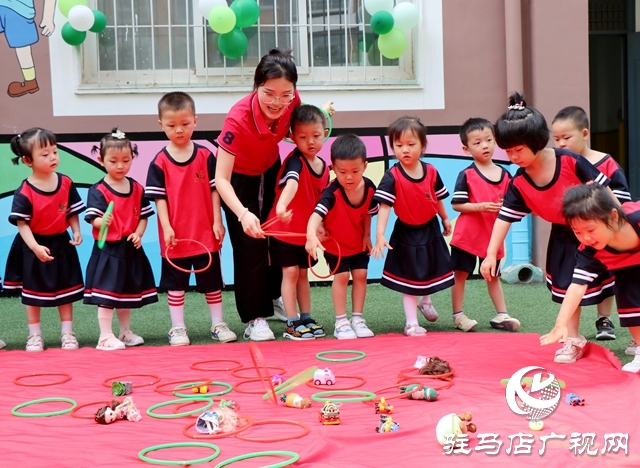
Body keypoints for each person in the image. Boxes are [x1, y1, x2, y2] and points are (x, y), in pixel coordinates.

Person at [480, 93, 619, 363]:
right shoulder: (519, 181)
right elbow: (504, 217)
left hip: (598, 229)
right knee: (569, 288)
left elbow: (606, 190)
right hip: (564, 236)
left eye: (518, 150)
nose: (512, 157)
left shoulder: (569, 160)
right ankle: (572, 339)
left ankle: (632, 340)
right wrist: (489, 253)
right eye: (507, 151)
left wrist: (619, 224)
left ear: (536, 142)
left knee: (619, 282)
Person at [215, 48, 333, 341]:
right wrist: (242, 213)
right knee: (250, 245)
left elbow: (305, 131)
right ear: (256, 87)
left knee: (279, 238)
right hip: (238, 181)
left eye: (286, 94)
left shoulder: (294, 104)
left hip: (272, 173)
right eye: (269, 93)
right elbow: (220, 178)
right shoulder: (237, 119)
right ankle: (256, 317)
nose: (278, 102)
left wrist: (323, 116)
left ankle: (279, 298)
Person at [145, 91, 233, 346]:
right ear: (161, 125)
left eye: (185, 124)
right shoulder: (159, 162)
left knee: (212, 283)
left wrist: (218, 220)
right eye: (172, 125)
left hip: (206, 233)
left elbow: (216, 190)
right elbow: (159, 199)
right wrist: (167, 227)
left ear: (195, 121)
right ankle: (178, 327)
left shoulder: (206, 156)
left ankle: (218, 324)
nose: (179, 130)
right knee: (175, 285)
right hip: (175, 238)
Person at [552, 106, 632, 343]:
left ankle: (605, 319)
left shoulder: (606, 163)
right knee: (571, 281)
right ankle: (570, 334)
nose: (561, 143)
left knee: (612, 279)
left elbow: (621, 201)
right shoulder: (559, 163)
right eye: (556, 139)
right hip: (570, 236)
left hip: (606, 237)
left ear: (585, 134)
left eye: (567, 137)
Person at [540, 184, 640, 372]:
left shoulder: (637, 218)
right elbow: (577, 286)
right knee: (629, 302)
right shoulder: (590, 252)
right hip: (626, 267)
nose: (585, 237)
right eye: (577, 232)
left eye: (591, 229)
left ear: (613, 216)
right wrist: (560, 324)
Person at [371, 117, 454, 336]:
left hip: (431, 229)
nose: (405, 150)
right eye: (399, 146)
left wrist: (445, 218)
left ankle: (425, 301)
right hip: (407, 233)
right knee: (410, 279)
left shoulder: (432, 171)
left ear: (423, 145)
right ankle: (411, 323)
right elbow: (385, 207)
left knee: (430, 269)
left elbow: (437, 198)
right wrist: (380, 235)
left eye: (411, 144)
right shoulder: (392, 176)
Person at [4, 128, 85, 352]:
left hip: (61, 244)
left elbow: (71, 212)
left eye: (55, 151)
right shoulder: (25, 191)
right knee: (31, 294)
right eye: (45, 154)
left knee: (66, 290)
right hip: (32, 246)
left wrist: (76, 230)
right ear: (27, 160)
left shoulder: (66, 183)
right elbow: (22, 225)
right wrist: (35, 248)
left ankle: (67, 332)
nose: (53, 157)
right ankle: (34, 335)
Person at [84, 129, 157, 351]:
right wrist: (100, 222)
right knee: (107, 295)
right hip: (109, 251)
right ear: (101, 160)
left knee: (125, 294)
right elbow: (93, 219)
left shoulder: (136, 188)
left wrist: (138, 233)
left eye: (126, 160)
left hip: (130, 249)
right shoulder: (98, 190)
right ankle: (104, 336)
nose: (120, 166)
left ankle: (125, 332)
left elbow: (144, 216)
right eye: (113, 161)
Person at [265, 105, 330, 340]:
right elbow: (291, 183)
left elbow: (322, 202)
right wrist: (281, 206)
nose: (310, 141)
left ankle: (305, 317)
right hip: (284, 232)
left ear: (325, 133)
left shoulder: (324, 168)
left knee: (303, 273)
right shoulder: (295, 162)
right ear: (292, 137)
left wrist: (321, 226)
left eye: (316, 136)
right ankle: (291, 322)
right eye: (302, 137)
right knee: (290, 272)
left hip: (306, 234)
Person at [450, 118, 520, 332]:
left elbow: (513, 204)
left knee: (494, 277)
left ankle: (502, 314)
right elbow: (457, 205)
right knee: (460, 275)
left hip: (493, 238)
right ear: (466, 148)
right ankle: (458, 315)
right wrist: (481, 206)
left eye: (489, 140)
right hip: (467, 238)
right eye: (477, 142)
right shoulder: (467, 175)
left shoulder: (506, 174)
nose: (485, 145)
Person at [306, 134, 378, 339]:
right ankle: (341, 322)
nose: (348, 177)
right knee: (342, 276)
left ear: (365, 166)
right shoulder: (332, 191)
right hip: (335, 245)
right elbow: (316, 214)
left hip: (358, 242)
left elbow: (368, 213)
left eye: (354, 171)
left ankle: (357, 319)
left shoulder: (371, 188)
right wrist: (312, 233)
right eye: (342, 171)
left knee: (361, 276)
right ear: (333, 168)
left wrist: (367, 235)